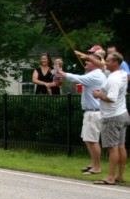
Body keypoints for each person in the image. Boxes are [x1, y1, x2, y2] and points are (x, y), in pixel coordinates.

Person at [55, 54, 106, 174]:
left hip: (94, 113)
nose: (86, 63)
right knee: (88, 140)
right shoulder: (93, 74)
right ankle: (93, 164)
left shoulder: (96, 75)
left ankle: (97, 167)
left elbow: (76, 78)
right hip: (91, 112)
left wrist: (61, 72)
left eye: (88, 61)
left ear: (95, 63)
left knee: (92, 140)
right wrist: (60, 73)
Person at [91, 52, 129, 185]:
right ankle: (120, 175)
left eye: (107, 61)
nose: (105, 63)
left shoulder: (113, 79)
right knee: (121, 146)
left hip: (111, 117)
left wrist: (99, 95)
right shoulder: (123, 74)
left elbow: (111, 98)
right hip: (123, 113)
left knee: (112, 148)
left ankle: (110, 177)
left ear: (115, 62)